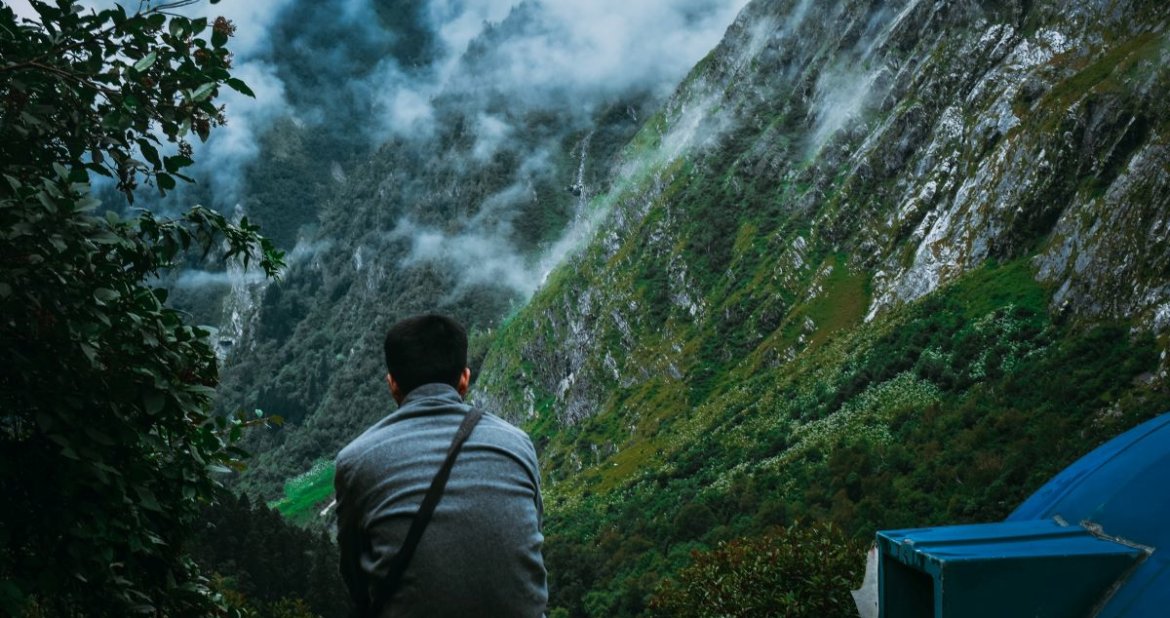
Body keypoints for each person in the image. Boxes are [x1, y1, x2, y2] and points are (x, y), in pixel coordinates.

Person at [334, 314, 548, 617]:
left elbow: (355, 579)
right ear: (465, 378)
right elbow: (531, 537)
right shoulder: (517, 444)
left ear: (392, 383)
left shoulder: (356, 460)